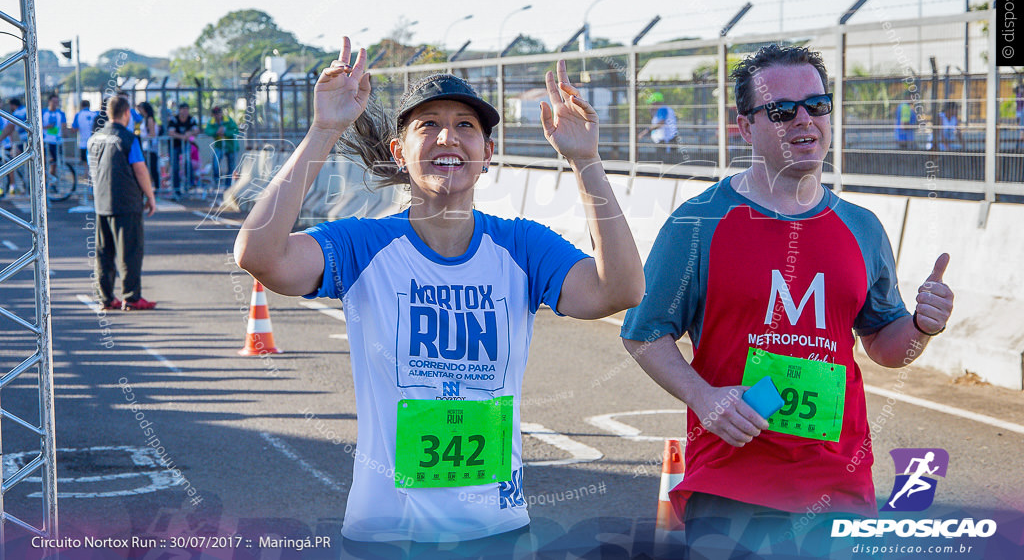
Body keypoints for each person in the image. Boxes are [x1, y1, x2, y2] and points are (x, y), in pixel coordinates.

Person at [234, 37, 644, 550]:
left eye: (466, 126)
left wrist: (585, 160)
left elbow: (621, 288)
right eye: (427, 125)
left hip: (495, 530)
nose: (448, 137)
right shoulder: (363, 244)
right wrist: (324, 130)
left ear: (488, 153)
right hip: (386, 534)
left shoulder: (522, 246)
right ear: (399, 152)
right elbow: (260, 255)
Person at [620, 44, 955, 558]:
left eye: (817, 105)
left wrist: (921, 328)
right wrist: (704, 397)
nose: (804, 120)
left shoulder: (861, 227)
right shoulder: (699, 223)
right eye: (782, 110)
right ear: (744, 127)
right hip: (732, 483)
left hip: (839, 487)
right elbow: (643, 332)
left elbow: (886, 348)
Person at [89, 93, 158, 311]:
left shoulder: (95, 137)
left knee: (104, 252)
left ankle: (106, 298)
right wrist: (150, 196)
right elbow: (139, 168)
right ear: (127, 113)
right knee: (130, 251)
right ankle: (131, 296)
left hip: (102, 202)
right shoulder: (128, 139)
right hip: (126, 202)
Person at [165, 102, 198, 198]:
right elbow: (171, 132)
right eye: (183, 109)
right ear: (179, 110)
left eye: (186, 109)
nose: (185, 111)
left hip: (185, 145)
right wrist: (182, 136)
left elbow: (196, 130)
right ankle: (176, 189)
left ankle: (190, 184)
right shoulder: (174, 120)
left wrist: (189, 133)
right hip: (174, 146)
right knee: (175, 167)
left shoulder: (191, 119)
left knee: (188, 162)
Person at [204, 106, 239, 191]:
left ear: (221, 113)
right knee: (215, 164)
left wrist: (225, 132)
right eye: (215, 114)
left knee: (231, 166)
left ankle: (228, 186)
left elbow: (235, 130)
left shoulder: (228, 120)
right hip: (219, 146)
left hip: (231, 146)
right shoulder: (211, 122)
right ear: (213, 115)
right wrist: (217, 132)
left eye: (219, 113)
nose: (217, 115)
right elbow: (207, 131)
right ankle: (216, 181)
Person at [0, 97, 27, 195]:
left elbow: (9, 128)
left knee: (13, 163)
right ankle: (20, 184)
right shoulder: (22, 110)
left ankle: (17, 185)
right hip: (23, 141)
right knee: (14, 162)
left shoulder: (18, 113)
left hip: (26, 142)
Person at [42, 93, 67, 181]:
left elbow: (64, 125)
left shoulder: (61, 113)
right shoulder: (43, 112)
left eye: (57, 102)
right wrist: (46, 127)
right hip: (45, 140)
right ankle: (43, 180)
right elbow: (37, 126)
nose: (55, 103)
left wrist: (65, 133)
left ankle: (51, 180)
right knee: (43, 161)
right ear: (49, 102)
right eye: (53, 101)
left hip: (56, 141)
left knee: (54, 162)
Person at [135, 102, 160, 190]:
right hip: (146, 147)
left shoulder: (149, 119)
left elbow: (152, 134)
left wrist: (143, 137)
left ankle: (156, 186)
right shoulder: (144, 119)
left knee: (152, 167)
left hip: (151, 148)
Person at [71, 100, 97, 180]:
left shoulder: (78, 115)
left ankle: (87, 175)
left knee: (85, 161)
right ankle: (93, 176)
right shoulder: (95, 114)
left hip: (83, 142)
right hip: (94, 141)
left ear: (81, 106)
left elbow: (74, 129)